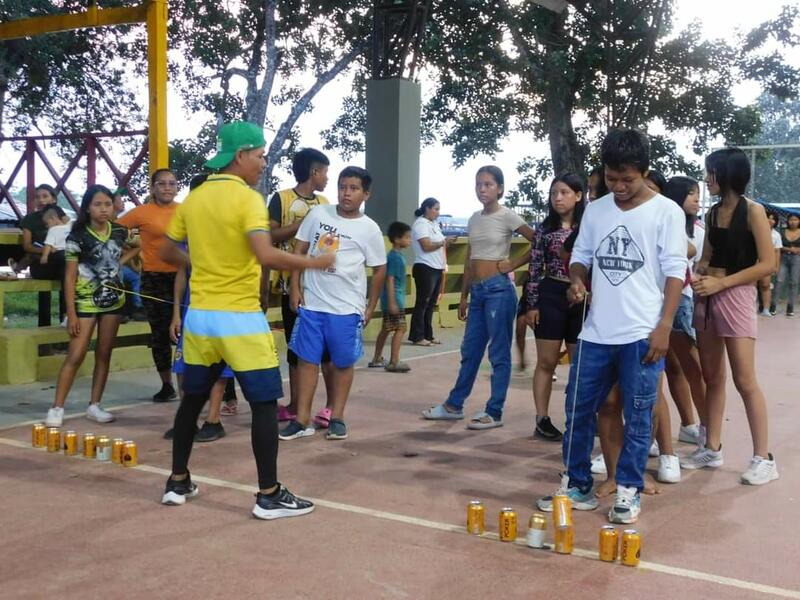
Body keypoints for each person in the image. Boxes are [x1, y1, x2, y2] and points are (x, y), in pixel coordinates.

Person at [159, 121, 334, 517]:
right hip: (239, 318)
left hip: (200, 318)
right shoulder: (249, 199)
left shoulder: (196, 198)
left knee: (193, 401)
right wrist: (316, 262)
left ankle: (178, 480)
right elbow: (266, 254)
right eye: (259, 156)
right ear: (241, 156)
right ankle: (269, 493)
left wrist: (203, 265)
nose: (263, 163)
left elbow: (167, 252)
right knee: (264, 405)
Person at [537, 129, 686, 524]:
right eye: (611, 177)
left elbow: (674, 272)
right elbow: (581, 255)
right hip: (595, 332)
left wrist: (665, 325)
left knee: (639, 414)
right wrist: (576, 279)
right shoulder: (598, 210)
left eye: (628, 179)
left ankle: (628, 491)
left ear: (645, 171)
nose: (618, 186)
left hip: (642, 332)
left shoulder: (666, 212)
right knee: (577, 408)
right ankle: (577, 484)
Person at [681, 148, 779, 485]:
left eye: (711, 173)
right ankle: (711, 447)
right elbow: (707, 255)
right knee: (713, 377)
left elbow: (768, 264)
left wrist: (722, 282)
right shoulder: (711, 214)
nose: (706, 179)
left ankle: (763, 458)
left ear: (726, 175)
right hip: (707, 295)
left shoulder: (753, 211)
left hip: (735, 295)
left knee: (744, 379)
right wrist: (697, 273)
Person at [422, 165, 535, 430]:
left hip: (499, 290)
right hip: (479, 293)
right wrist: (464, 296)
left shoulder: (508, 216)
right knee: (470, 350)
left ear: (500, 189)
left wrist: (514, 263)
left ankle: (494, 411)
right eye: (478, 185)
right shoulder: (474, 219)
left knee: (498, 353)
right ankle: (454, 405)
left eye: (488, 184)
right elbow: (471, 259)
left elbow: (538, 240)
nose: (482, 189)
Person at [280, 166, 387, 441]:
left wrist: (370, 305)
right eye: (342, 187)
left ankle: (337, 416)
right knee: (306, 361)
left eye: (353, 188)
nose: (346, 193)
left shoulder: (370, 229)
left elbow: (379, 269)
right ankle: (301, 420)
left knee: (341, 363)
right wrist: (295, 288)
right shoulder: (319, 214)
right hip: (313, 303)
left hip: (346, 308)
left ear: (366, 194)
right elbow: (299, 251)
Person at [43, 185, 137, 427]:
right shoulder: (77, 236)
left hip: (114, 300)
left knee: (104, 353)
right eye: (98, 204)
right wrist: (71, 313)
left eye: (107, 204)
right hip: (85, 302)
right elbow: (70, 277)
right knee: (76, 354)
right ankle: (57, 407)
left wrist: (119, 264)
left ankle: (95, 405)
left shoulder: (119, 231)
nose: (104, 209)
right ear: (87, 208)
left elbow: (138, 245)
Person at [267, 148, 335, 428]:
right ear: (313, 172)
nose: (327, 179)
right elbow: (269, 234)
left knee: (327, 350)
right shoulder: (281, 199)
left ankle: (330, 406)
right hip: (290, 285)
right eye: (325, 172)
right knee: (296, 349)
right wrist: (300, 226)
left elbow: (331, 240)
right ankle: (295, 405)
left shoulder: (325, 203)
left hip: (321, 286)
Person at [524, 173, 585, 441]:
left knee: (580, 363)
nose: (557, 198)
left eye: (564, 192)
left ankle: (580, 419)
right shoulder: (545, 230)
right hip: (551, 295)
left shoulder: (588, 227)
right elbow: (535, 268)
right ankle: (542, 419)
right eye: (553, 193)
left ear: (579, 195)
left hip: (582, 298)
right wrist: (532, 304)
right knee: (546, 362)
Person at [118, 169, 180, 401]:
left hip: (184, 277)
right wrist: (121, 255)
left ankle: (192, 384)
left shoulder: (185, 211)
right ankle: (167, 385)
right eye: (162, 184)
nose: (167, 188)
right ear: (153, 187)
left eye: (172, 184)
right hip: (154, 278)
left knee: (188, 332)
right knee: (159, 334)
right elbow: (114, 230)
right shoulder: (142, 212)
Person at [166, 242, 233, 443]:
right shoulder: (188, 238)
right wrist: (176, 314)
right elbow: (181, 275)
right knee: (182, 365)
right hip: (192, 310)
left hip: (222, 309)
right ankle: (188, 419)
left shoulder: (229, 237)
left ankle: (213, 420)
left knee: (218, 366)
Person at [661, 176, 707, 448]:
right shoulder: (666, 223)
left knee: (690, 366)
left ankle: (702, 426)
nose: (697, 200)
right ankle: (682, 426)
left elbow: (699, 263)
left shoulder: (698, 231)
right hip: (662, 301)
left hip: (684, 301)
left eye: (698, 194)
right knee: (667, 367)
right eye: (692, 194)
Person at [14, 184, 66, 324]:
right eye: (37, 197)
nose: (41, 200)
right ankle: (49, 323)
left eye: (45, 196)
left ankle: (65, 319)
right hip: (41, 264)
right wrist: (47, 251)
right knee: (65, 267)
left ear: (54, 199)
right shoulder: (30, 219)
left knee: (66, 269)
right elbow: (27, 246)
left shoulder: (61, 217)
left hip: (60, 264)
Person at [409, 198, 455, 345]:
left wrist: (445, 242)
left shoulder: (433, 224)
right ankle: (417, 335)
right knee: (423, 302)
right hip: (425, 266)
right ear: (427, 209)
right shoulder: (421, 224)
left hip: (436, 267)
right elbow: (426, 246)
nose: (438, 212)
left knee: (431, 303)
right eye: (436, 209)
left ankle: (428, 334)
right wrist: (443, 242)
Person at [371, 221, 413, 372]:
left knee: (386, 329)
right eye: (407, 237)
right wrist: (393, 302)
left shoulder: (394, 256)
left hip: (391, 299)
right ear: (397, 239)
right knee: (400, 329)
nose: (410, 240)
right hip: (395, 299)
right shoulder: (395, 257)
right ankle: (394, 361)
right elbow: (390, 279)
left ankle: (377, 358)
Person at [112, 188, 147, 322]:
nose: (123, 202)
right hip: (106, 268)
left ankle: (138, 308)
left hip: (121, 264)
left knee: (135, 276)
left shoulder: (121, 226)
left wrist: (123, 260)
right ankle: (118, 309)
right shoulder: (114, 225)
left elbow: (136, 245)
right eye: (120, 199)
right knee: (121, 274)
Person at [773, 214, 800, 317]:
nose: (793, 222)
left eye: (795, 220)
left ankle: (790, 307)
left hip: (797, 259)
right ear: (787, 221)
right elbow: (778, 246)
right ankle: (773, 306)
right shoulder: (781, 231)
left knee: (794, 283)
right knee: (779, 281)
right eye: (791, 220)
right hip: (783, 257)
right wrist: (789, 249)